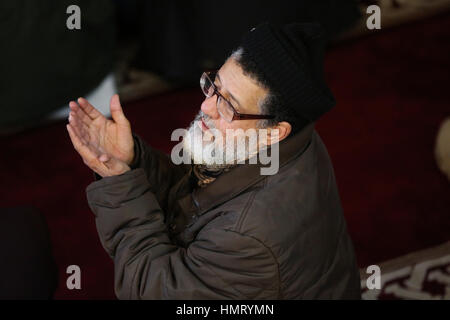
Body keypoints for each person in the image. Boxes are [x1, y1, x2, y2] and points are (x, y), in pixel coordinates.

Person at [66, 23, 361, 299]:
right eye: (214, 84)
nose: (207, 106)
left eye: (229, 106)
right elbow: (190, 193)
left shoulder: (247, 235)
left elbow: (152, 289)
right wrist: (131, 161)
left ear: (274, 132)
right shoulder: (286, 137)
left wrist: (120, 184)